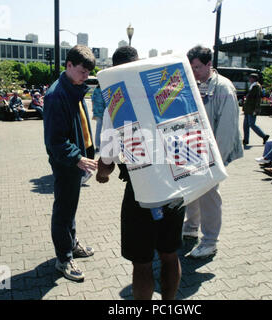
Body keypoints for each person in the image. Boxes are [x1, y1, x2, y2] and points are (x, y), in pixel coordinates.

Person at [96, 46, 186, 300]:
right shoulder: (167, 93)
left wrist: (103, 172)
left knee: (142, 262)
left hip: (141, 190)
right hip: (175, 185)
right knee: (169, 255)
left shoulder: (116, 102)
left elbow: (107, 159)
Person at [182, 45, 243, 258]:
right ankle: (191, 227)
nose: (194, 72)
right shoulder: (195, 84)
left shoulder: (224, 88)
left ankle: (210, 241)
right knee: (193, 191)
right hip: (194, 150)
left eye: (197, 67)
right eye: (191, 68)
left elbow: (227, 128)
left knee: (209, 196)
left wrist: (217, 160)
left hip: (212, 153)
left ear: (209, 64)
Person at [43, 45, 98, 282]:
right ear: (68, 66)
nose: (86, 76)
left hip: (76, 161)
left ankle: (71, 244)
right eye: (82, 71)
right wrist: (76, 157)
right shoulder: (57, 95)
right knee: (63, 210)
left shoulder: (74, 87)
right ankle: (63, 259)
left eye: (88, 72)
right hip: (67, 162)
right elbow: (55, 141)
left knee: (70, 207)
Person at [242, 73, 270, 146]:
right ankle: (245, 140)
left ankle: (264, 136)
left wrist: (256, 109)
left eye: (250, 78)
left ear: (254, 79)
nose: (249, 79)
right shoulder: (253, 85)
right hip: (248, 108)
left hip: (252, 108)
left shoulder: (257, 86)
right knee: (245, 125)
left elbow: (258, 99)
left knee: (252, 124)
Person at [91, 83, 106, 153]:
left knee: (98, 129)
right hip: (105, 112)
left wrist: (93, 110)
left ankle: (97, 146)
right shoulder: (105, 89)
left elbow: (93, 100)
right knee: (106, 129)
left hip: (98, 112)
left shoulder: (96, 90)